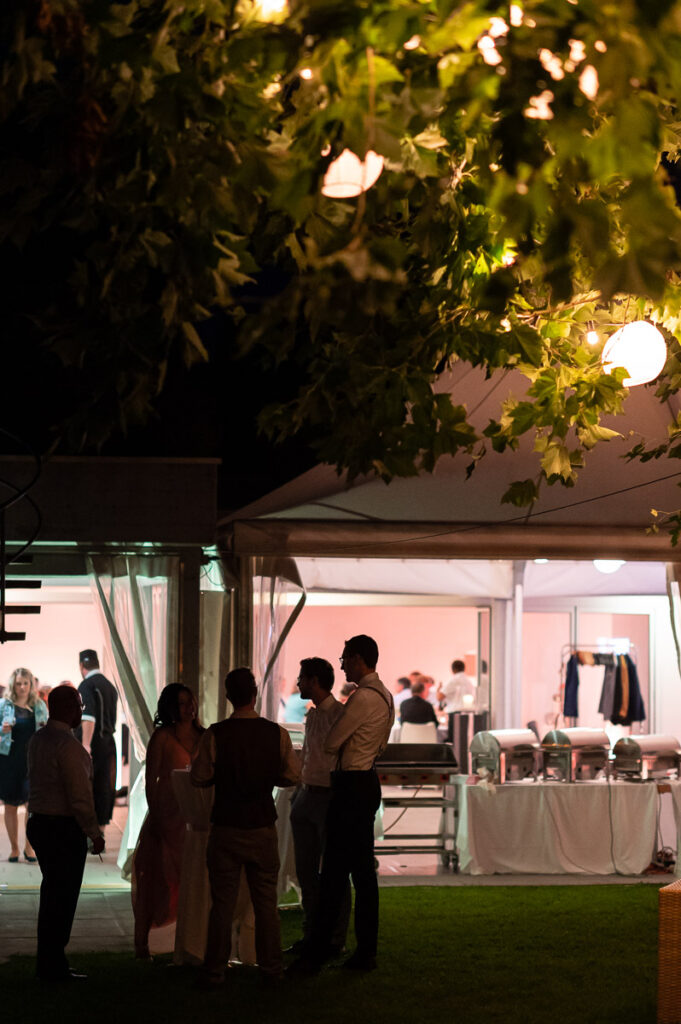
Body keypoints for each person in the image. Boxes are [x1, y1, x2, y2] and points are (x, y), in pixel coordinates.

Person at [291, 634, 394, 975]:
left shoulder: (362, 697)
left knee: (335, 873)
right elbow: (379, 744)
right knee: (361, 874)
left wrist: (344, 742)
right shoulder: (386, 696)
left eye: (345, 658)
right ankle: (364, 951)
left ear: (360, 659)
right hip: (365, 780)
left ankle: (320, 951)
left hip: (350, 785)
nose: (341, 664)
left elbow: (332, 742)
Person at [191, 667, 300, 988]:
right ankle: (272, 969)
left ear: (228, 696)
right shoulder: (276, 733)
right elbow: (292, 776)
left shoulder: (215, 734)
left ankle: (214, 971)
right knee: (266, 904)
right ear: (254, 695)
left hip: (226, 825)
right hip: (262, 825)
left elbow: (198, 776)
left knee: (222, 904)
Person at [26, 684, 105, 981]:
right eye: (79, 705)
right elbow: (80, 797)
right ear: (69, 708)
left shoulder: (38, 740)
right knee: (63, 897)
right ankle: (53, 963)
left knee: (52, 894)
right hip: (62, 827)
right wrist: (94, 832)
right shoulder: (68, 747)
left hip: (40, 822)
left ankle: (49, 961)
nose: (81, 710)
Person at [132, 683, 204, 959]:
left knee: (190, 880)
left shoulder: (204, 735)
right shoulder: (162, 737)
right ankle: (142, 944)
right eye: (183, 702)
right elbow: (151, 780)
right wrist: (157, 814)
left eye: (192, 701)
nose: (189, 707)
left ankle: (189, 942)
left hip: (193, 814)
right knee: (154, 878)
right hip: (166, 814)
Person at [288, 658, 350, 955]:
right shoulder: (313, 715)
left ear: (314, 680)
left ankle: (334, 939)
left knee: (334, 870)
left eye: (302, 678)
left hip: (328, 797)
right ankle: (312, 934)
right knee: (306, 870)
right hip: (306, 795)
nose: (298, 683)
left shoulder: (339, 715)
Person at [0, 668, 48, 862]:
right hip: (9, 760)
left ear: (31, 684)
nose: (22, 687)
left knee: (33, 806)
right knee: (10, 805)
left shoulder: (39, 706)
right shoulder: (4, 705)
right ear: (13, 684)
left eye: (25, 683)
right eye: (18, 683)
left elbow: (47, 730)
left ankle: (29, 847)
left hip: (33, 762)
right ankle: (13, 848)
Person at [77, 649, 118, 827]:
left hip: (94, 743)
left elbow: (88, 717)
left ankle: (91, 833)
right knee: (105, 787)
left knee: (89, 788)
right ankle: (100, 831)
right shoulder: (109, 686)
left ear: (81, 666)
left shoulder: (86, 686)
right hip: (109, 742)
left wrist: (85, 745)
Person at [438, 660, 477, 741]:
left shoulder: (453, 680)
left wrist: (438, 690)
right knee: (463, 739)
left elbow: (440, 697)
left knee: (454, 739)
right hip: (468, 713)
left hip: (455, 712)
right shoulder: (468, 681)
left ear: (453, 669)